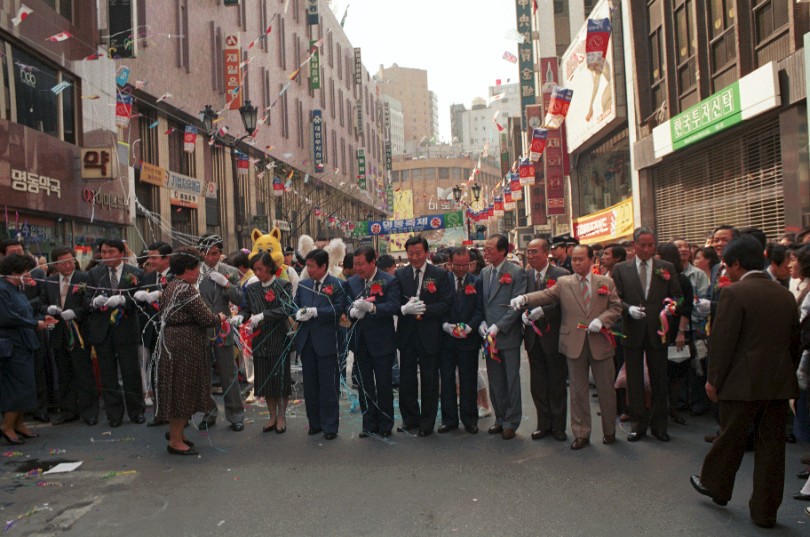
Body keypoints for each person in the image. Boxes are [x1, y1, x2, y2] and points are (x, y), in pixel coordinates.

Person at [690, 236, 800, 529]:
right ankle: (765, 512)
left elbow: (723, 343)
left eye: (727, 265)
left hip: (740, 384)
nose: (725, 272)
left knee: (730, 437)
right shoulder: (785, 295)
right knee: (772, 450)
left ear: (737, 264)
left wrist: (713, 380)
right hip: (778, 383)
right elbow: (794, 343)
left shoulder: (735, 294)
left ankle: (716, 485)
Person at [514, 244, 622, 449]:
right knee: (578, 392)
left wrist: (603, 320)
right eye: (574, 259)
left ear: (591, 260)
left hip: (600, 342)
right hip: (574, 343)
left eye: (581, 259)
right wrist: (525, 299)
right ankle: (581, 433)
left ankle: (609, 431)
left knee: (606, 390)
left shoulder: (606, 282)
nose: (577, 263)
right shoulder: (564, 282)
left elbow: (616, 307)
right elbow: (545, 295)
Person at [611, 227, 683, 442]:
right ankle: (638, 424)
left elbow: (678, 297)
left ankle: (659, 426)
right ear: (634, 246)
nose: (647, 249)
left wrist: (671, 308)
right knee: (634, 380)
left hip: (657, 331)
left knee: (659, 379)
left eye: (651, 245)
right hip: (632, 330)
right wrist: (627, 309)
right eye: (642, 245)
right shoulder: (621, 269)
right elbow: (615, 299)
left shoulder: (666, 267)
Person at [155, 247, 223, 455]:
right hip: (183, 348)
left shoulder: (171, 286)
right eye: (196, 269)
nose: (199, 274)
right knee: (181, 392)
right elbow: (206, 318)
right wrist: (220, 317)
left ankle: (178, 435)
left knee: (179, 389)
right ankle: (175, 441)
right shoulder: (185, 289)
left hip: (174, 345)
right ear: (187, 269)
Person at [85, 238, 146, 427]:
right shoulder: (95, 273)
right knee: (108, 374)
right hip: (102, 330)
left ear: (121, 253)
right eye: (103, 252)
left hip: (126, 329)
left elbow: (141, 301)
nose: (107, 256)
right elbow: (87, 298)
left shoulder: (135, 273)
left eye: (111, 252)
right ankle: (114, 415)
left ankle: (136, 411)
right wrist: (94, 302)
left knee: (131, 372)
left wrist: (123, 301)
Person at [395, 236, 452, 437]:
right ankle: (410, 419)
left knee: (429, 380)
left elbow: (446, 304)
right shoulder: (400, 274)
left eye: (418, 253)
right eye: (411, 253)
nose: (415, 257)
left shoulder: (439, 275)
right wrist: (404, 308)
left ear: (427, 253)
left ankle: (427, 423)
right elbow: (395, 302)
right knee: (407, 379)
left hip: (429, 334)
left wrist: (425, 308)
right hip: (407, 334)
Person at [344, 246, 400, 438]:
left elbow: (393, 306)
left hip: (382, 341)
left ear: (372, 262)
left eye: (361, 264)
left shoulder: (389, 280)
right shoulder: (351, 282)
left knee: (384, 384)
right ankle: (368, 423)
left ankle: (385, 423)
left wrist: (373, 308)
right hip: (360, 342)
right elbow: (345, 304)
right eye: (355, 264)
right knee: (364, 385)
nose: (357, 268)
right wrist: (351, 311)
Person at [0, 254, 56, 444]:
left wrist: (42, 318)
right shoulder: (2, 290)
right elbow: (8, 317)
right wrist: (35, 324)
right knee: (18, 387)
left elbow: (25, 311)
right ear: (15, 271)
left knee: (27, 386)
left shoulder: (16, 290)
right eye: (26, 271)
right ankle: (7, 425)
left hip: (25, 343)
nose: (28, 275)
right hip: (12, 345)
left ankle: (19, 423)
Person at [294, 249, 349, 440]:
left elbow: (340, 308)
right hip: (307, 341)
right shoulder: (303, 285)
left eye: (312, 266)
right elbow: (295, 306)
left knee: (328, 385)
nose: (308, 270)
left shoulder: (338, 284)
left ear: (323, 266)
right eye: (307, 266)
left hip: (327, 341)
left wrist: (317, 311)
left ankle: (330, 426)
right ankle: (314, 423)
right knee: (310, 385)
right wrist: (298, 314)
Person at [40, 246, 98, 426]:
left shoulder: (85, 278)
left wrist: (76, 312)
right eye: (62, 262)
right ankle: (68, 411)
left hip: (79, 331)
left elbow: (90, 303)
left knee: (83, 373)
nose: (67, 265)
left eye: (70, 260)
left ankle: (89, 412)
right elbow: (41, 303)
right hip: (58, 332)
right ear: (55, 264)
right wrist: (48, 309)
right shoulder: (49, 281)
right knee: (64, 374)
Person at [520, 238, 570, 442]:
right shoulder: (526, 275)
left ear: (546, 252)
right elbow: (522, 297)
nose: (531, 256)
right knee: (538, 383)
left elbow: (565, 303)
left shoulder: (561, 275)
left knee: (556, 383)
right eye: (528, 252)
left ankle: (558, 426)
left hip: (553, 336)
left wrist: (544, 311)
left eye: (535, 252)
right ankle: (543, 424)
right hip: (532, 336)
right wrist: (524, 313)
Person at [479, 234, 526, 440]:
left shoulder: (516, 273)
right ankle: (500, 418)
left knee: (511, 380)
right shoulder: (484, 272)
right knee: (495, 379)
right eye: (485, 248)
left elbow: (517, 307)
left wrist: (499, 326)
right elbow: (482, 302)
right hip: (489, 336)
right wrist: (482, 322)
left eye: (490, 249)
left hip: (507, 334)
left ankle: (511, 422)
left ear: (502, 251)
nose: (485, 252)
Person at [196, 234, 245, 432]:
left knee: (228, 373)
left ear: (220, 252)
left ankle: (236, 415)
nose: (210, 258)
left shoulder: (230, 271)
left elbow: (241, 298)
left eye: (214, 253)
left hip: (223, 328)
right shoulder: (195, 273)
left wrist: (227, 284)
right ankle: (209, 412)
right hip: (201, 329)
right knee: (203, 374)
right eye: (206, 254)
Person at [243, 252, 295, 433]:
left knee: (280, 380)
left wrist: (263, 316)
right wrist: (240, 319)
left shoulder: (283, 285)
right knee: (265, 380)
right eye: (254, 269)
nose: (257, 273)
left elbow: (286, 308)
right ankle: (271, 415)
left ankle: (282, 416)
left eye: (260, 268)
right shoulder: (252, 289)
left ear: (269, 267)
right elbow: (247, 310)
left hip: (278, 339)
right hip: (260, 340)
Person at [439, 247, 483, 434]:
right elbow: (439, 306)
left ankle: (470, 419)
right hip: (447, 340)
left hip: (468, 340)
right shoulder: (443, 281)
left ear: (470, 264)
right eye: (457, 265)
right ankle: (449, 420)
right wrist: (445, 325)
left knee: (468, 380)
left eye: (465, 265)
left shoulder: (477, 282)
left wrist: (470, 327)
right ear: (450, 263)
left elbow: (480, 309)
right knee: (447, 380)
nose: (461, 269)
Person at [133, 242, 173, 424]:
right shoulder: (148, 278)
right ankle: (160, 412)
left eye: (154, 257)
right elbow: (138, 304)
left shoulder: (177, 276)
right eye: (149, 257)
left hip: (173, 332)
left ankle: (177, 414)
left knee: (173, 374)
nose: (150, 261)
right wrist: (139, 298)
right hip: (152, 333)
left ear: (167, 258)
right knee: (156, 373)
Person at [656, 243, 694, 426]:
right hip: (656, 331)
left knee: (676, 373)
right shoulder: (656, 280)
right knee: (659, 373)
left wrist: (681, 332)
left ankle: (673, 408)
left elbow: (686, 308)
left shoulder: (682, 280)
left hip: (675, 331)